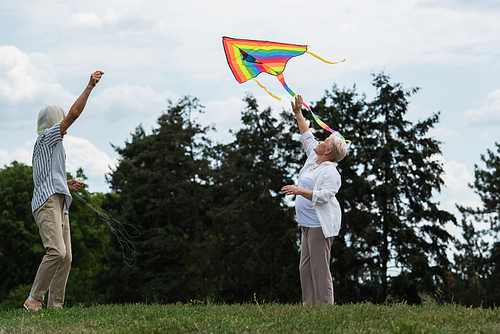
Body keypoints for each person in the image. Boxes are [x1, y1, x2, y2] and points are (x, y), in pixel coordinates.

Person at [23, 70, 104, 311]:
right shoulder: (48, 136)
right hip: (47, 202)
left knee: (66, 257)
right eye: (61, 119)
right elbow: (75, 113)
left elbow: (44, 175)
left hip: (59, 200)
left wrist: (66, 184)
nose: (65, 124)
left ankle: (55, 306)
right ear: (54, 121)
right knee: (56, 251)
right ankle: (33, 299)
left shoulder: (49, 144)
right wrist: (89, 86)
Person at [281, 95, 348, 306]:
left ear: (328, 151)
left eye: (324, 141)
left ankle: (326, 308)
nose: (319, 141)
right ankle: (309, 306)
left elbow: (324, 196)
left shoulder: (331, 172)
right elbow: (306, 135)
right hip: (306, 223)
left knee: (320, 268)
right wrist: (298, 113)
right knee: (305, 267)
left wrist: (300, 191)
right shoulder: (313, 158)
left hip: (320, 225)